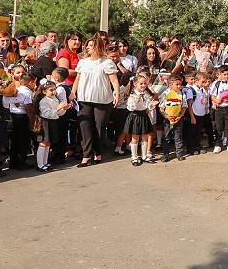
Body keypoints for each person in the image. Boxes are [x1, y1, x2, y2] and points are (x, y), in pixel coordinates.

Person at [70, 36, 119, 168]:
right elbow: (77, 79)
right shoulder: (83, 62)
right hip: (84, 98)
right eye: (87, 45)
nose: (87, 47)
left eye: (90, 45)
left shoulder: (107, 62)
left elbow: (114, 80)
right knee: (85, 127)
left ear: (97, 47)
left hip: (102, 99)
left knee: (99, 127)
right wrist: (73, 92)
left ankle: (98, 152)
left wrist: (117, 93)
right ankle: (86, 155)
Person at [33, 80, 69, 172]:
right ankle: (40, 164)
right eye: (51, 90)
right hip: (45, 123)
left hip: (53, 122)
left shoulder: (55, 99)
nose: (54, 92)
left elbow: (59, 114)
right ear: (44, 92)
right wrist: (58, 108)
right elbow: (46, 114)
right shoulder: (43, 101)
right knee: (43, 143)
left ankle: (45, 162)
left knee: (48, 143)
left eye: (54, 89)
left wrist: (63, 109)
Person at [124, 73, 156, 166]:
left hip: (144, 116)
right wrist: (135, 102)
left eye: (145, 83)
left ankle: (144, 156)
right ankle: (134, 157)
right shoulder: (132, 95)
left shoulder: (146, 93)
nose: (143, 85)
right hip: (135, 116)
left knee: (145, 137)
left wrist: (151, 105)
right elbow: (130, 108)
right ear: (135, 84)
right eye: (141, 84)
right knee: (135, 138)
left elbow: (147, 106)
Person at [4, 72, 34, 170]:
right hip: (22, 118)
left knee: (14, 141)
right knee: (23, 141)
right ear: (30, 82)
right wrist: (31, 121)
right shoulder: (27, 92)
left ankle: (13, 162)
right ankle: (22, 162)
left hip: (13, 116)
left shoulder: (15, 90)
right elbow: (28, 107)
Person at [209, 66, 228, 154]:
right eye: (224, 74)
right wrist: (216, 100)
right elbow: (212, 95)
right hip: (219, 108)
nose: (226, 76)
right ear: (220, 75)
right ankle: (218, 144)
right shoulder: (216, 83)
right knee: (218, 127)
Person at [158, 74, 187, 162]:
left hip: (178, 118)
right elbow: (161, 108)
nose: (179, 86)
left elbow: (184, 107)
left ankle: (179, 153)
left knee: (178, 136)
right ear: (170, 85)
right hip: (168, 119)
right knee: (167, 137)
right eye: (177, 84)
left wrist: (180, 116)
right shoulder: (165, 94)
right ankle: (165, 154)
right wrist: (167, 116)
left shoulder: (182, 94)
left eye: (180, 84)